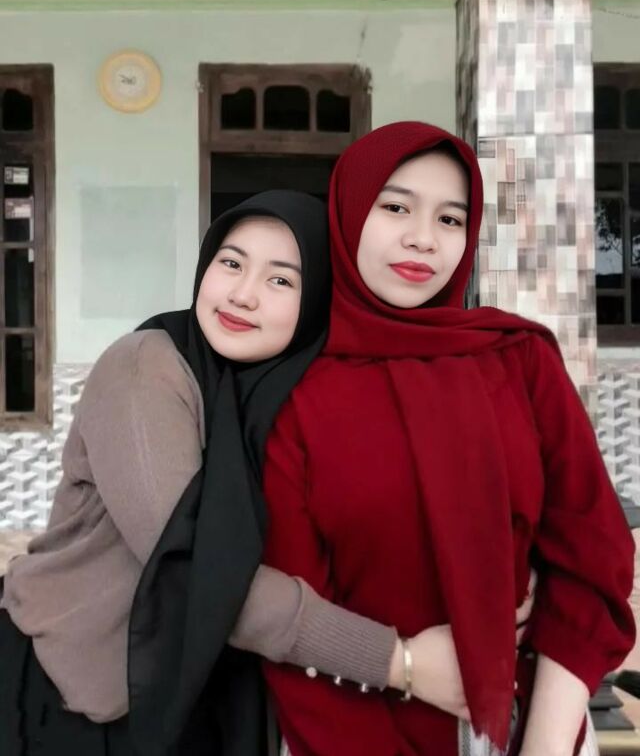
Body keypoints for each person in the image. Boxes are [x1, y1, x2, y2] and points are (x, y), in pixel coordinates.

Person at [0, 189, 532, 756]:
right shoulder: (145, 370)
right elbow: (198, 569)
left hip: (208, 701)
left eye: (281, 280)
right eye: (231, 263)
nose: (243, 293)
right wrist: (399, 662)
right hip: (78, 692)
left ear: (318, 302)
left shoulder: (288, 402)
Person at [261, 124, 636, 756]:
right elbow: (292, 615)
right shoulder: (291, 393)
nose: (423, 238)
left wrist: (544, 746)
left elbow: (591, 561)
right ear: (347, 214)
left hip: (527, 726)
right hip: (347, 734)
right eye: (395, 207)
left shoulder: (519, 359)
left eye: (450, 218)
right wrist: (404, 668)